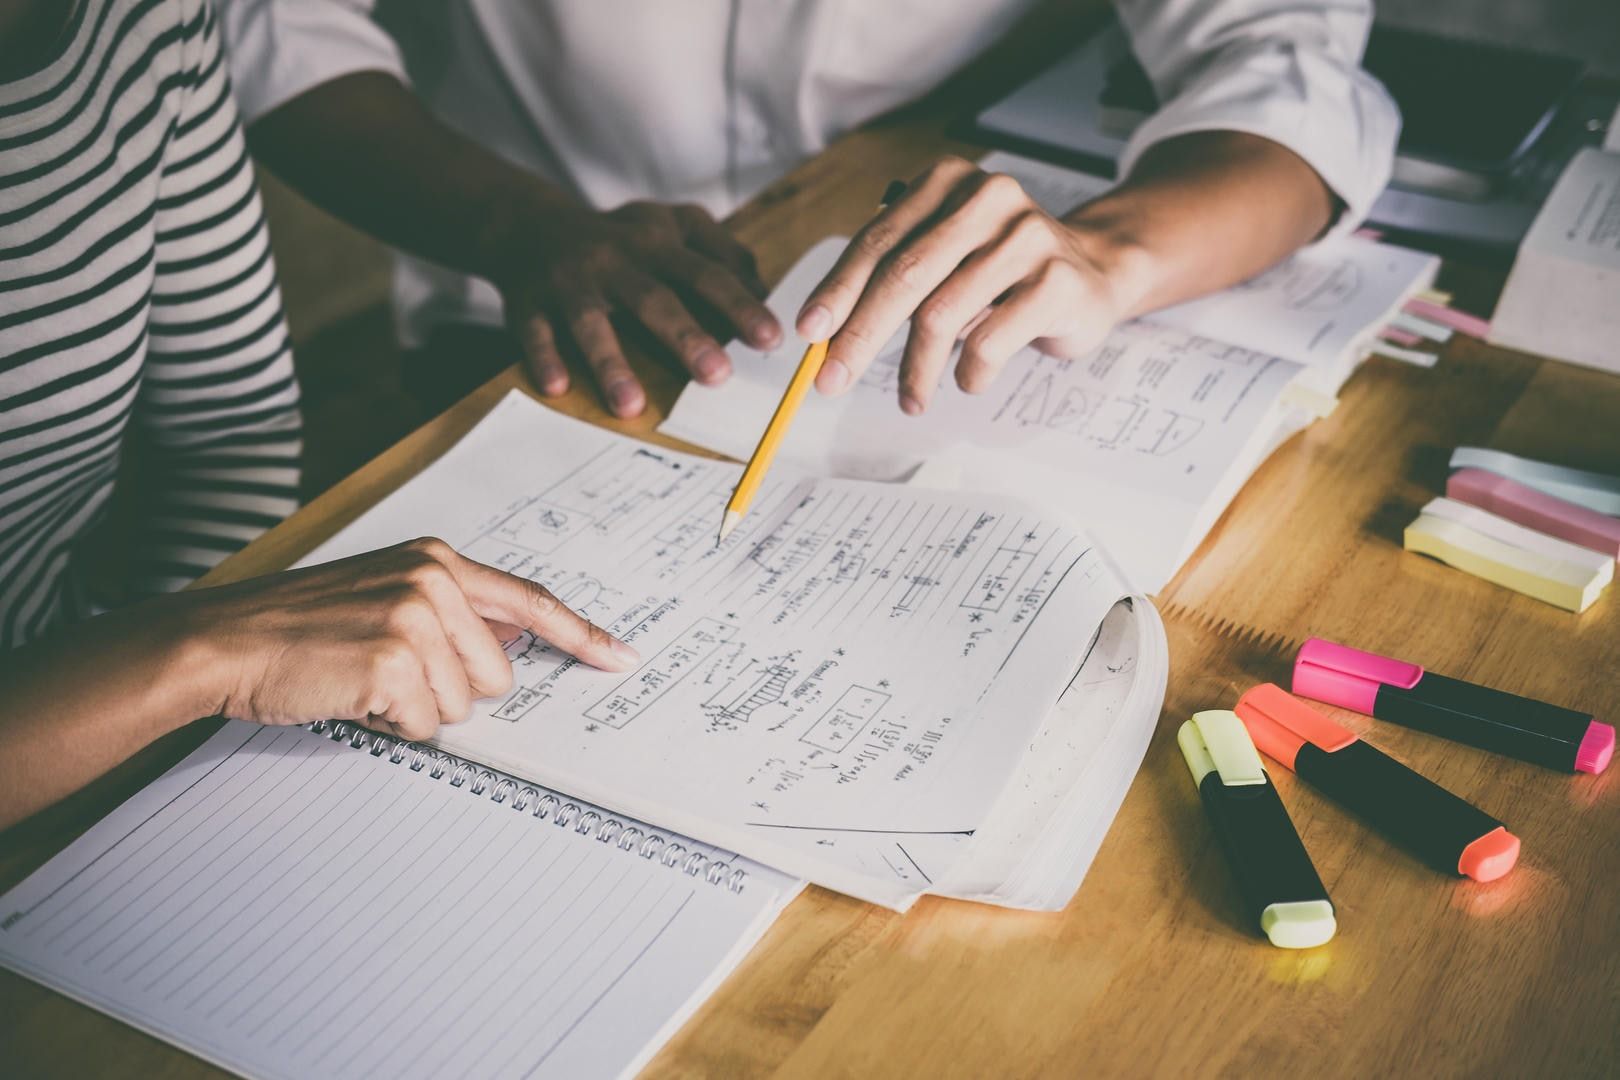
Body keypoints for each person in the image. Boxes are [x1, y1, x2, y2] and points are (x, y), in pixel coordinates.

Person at [0, 0, 637, 832]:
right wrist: (194, 662)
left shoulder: (144, 20)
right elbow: (204, 654)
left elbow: (234, 432)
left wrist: (173, 727)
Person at [220, 0, 1397, 418]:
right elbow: (266, 28)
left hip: (914, 321)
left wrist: (1111, 255)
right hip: (532, 311)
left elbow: (1283, 59)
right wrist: (516, 229)